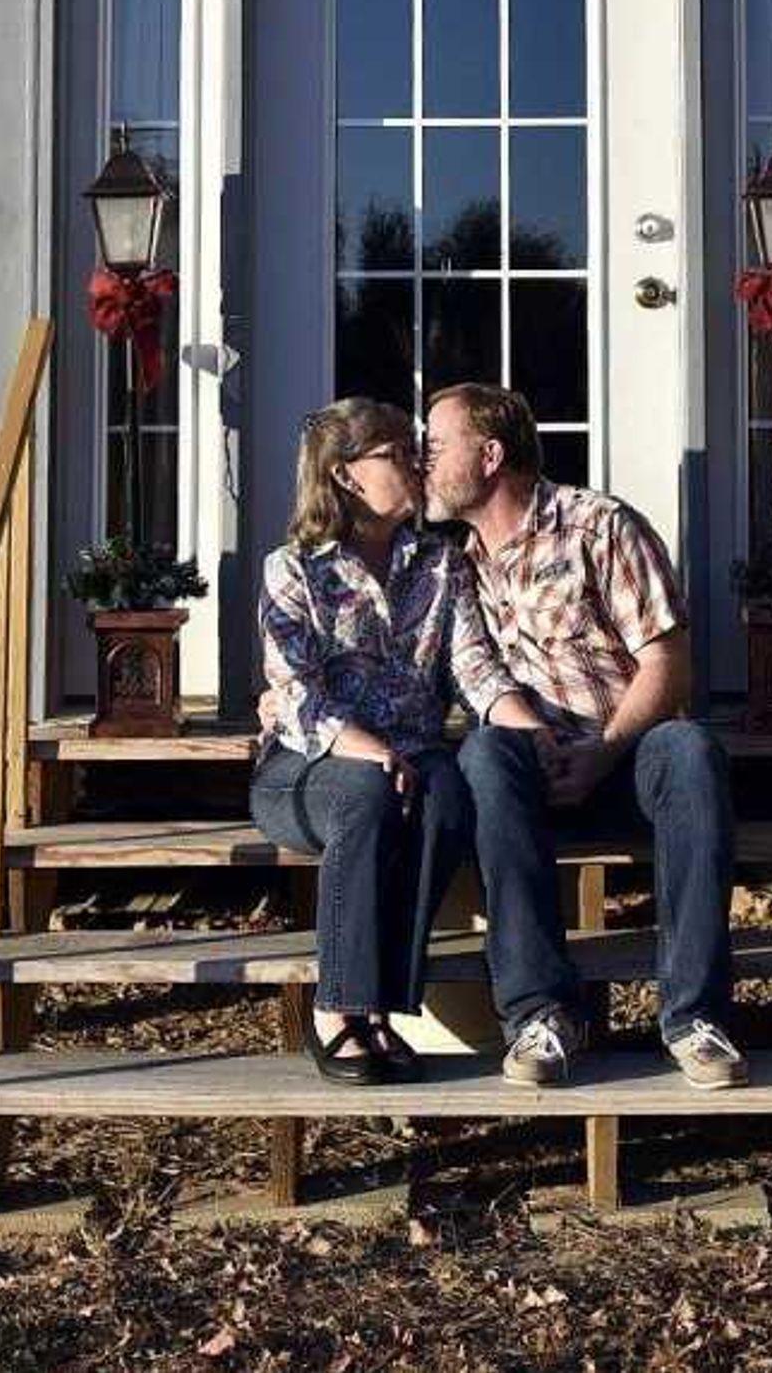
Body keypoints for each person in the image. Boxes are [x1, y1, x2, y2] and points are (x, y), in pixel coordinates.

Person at [426, 380, 744, 1091]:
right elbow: (474, 670)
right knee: (481, 751)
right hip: (532, 760)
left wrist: (604, 751)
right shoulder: (453, 564)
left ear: (490, 455)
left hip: (627, 752)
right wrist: (538, 738)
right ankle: (541, 1014)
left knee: (691, 749)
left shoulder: (597, 525)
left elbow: (668, 663)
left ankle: (694, 1017)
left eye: (437, 445)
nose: (423, 460)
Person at [251, 397, 480, 1085]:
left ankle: (383, 1006)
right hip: (306, 766)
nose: (418, 462)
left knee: (449, 798)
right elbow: (294, 693)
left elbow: (471, 665)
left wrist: (517, 717)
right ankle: (340, 1006)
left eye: (417, 448)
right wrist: (366, 746)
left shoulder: (442, 564)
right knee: (366, 790)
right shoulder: (293, 569)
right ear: (346, 476)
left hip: (415, 752)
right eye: (397, 452)